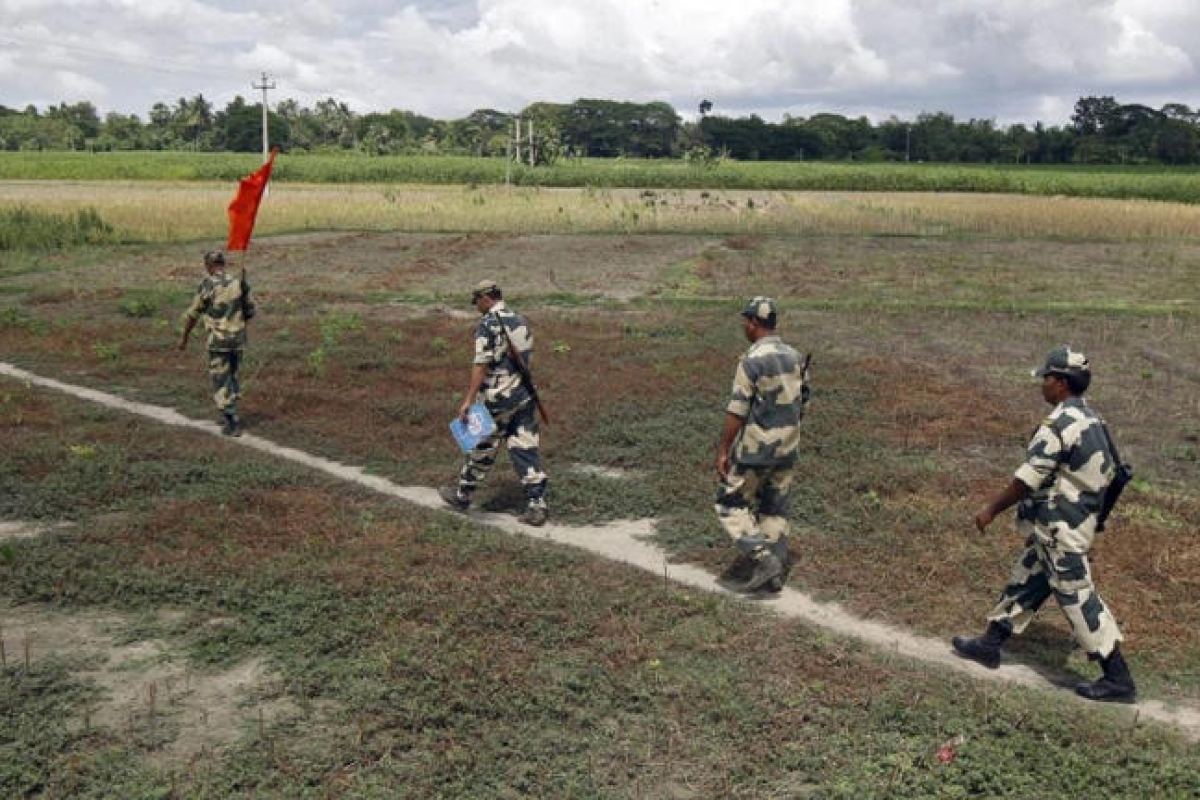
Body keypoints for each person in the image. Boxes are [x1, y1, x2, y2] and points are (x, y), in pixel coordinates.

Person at [953, 345, 1136, 702]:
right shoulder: (1095, 421)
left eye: (1047, 378)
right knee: (1028, 578)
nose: (1043, 384)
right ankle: (991, 643)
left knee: (1078, 596)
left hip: (1059, 527)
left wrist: (992, 508)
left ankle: (1118, 678)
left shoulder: (1059, 426)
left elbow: (1027, 479)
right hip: (1072, 522)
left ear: (1061, 383)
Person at [714, 296, 809, 593]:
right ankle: (773, 576)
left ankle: (763, 559)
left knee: (729, 502)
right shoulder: (795, 356)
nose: (744, 325)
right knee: (774, 508)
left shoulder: (752, 360)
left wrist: (723, 449)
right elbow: (804, 399)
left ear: (754, 323)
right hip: (787, 447)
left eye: (746, 321)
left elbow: (737, 409)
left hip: (757, 450)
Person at [439, 279, 549, 526]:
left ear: (485, 298)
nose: (476, 306)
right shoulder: (520, 319)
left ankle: (462, 496)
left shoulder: (488, 324)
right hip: (524, 396)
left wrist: (468, 399)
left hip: (496, 399)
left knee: (481, 448)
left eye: (476, 301)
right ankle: (536, 504)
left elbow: (481, 364)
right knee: (525, 448)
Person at [178, 250, 252, 437]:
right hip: (237, 340)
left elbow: (193, 314)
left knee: (221, 379)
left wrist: (185, 337)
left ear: (209, 266)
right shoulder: (238, 283)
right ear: (223, 264)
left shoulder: (208, 284)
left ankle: (231, 420)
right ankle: (232, 409)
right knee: (233, 376)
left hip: (219, 341)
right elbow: (250, 312)